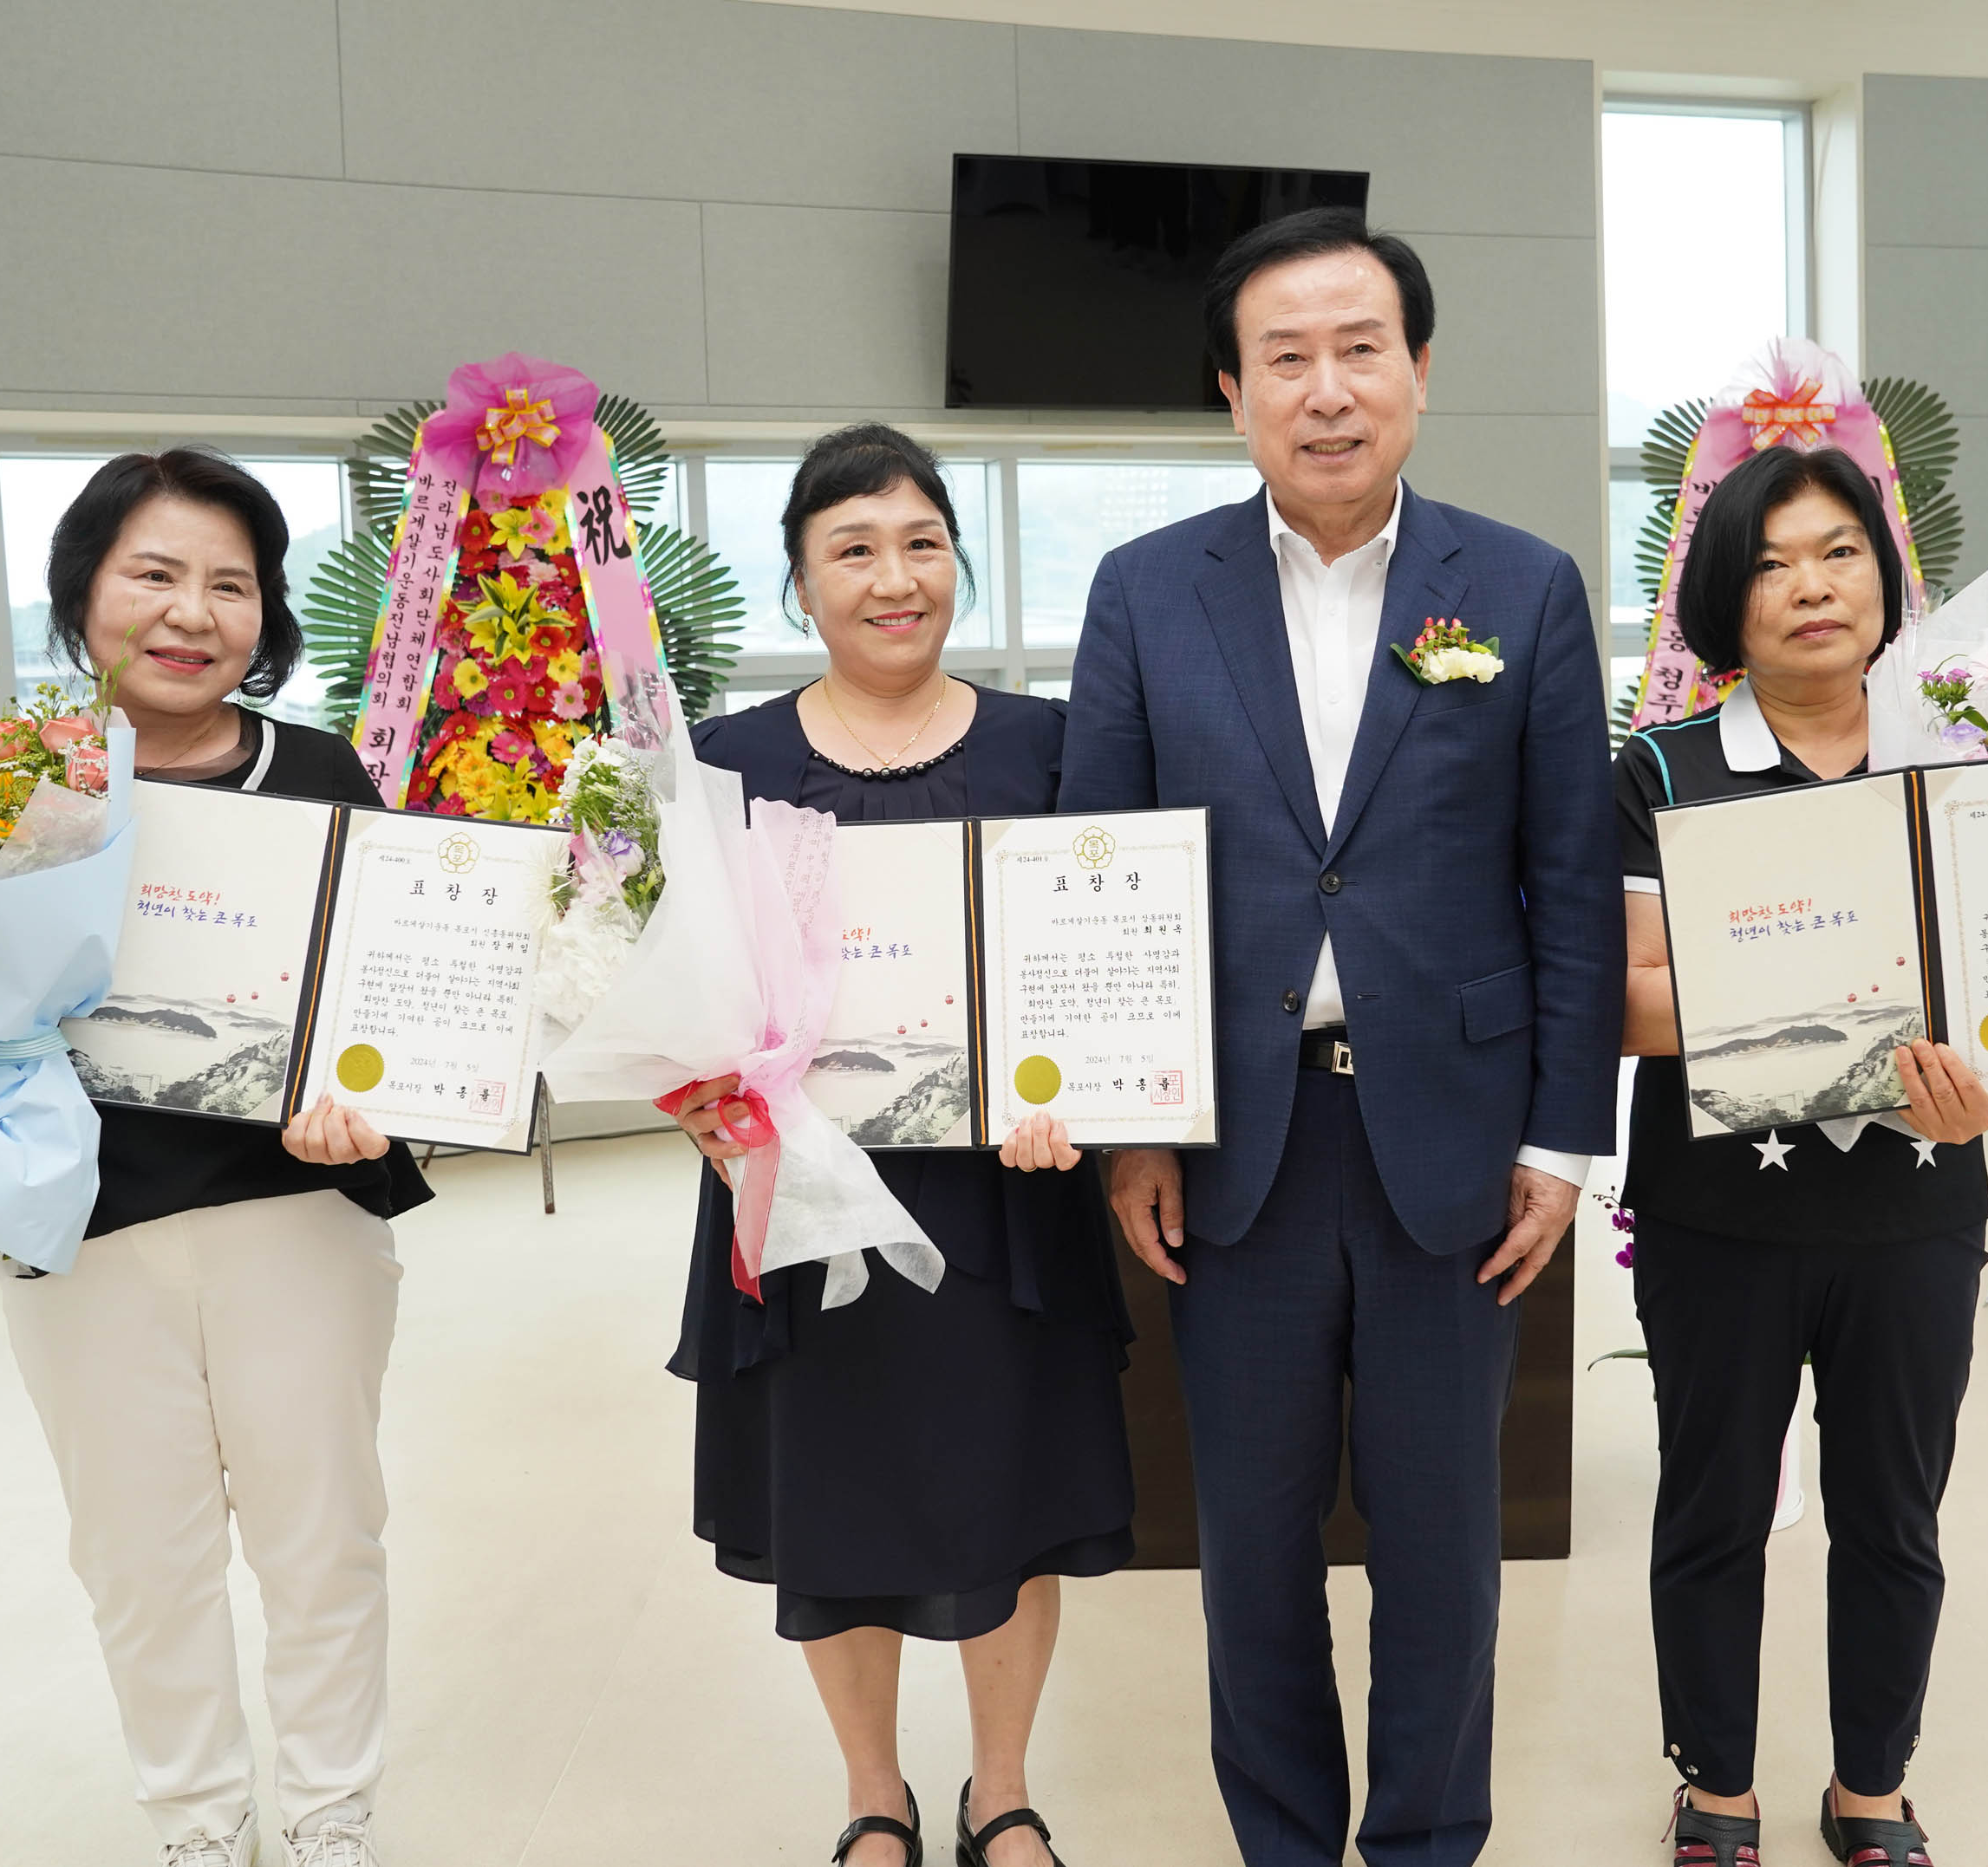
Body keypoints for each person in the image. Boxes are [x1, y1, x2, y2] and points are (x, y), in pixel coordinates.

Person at [1059, 209, 1625, 1865]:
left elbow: (1571, 887)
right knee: (1251, 1547)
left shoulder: (1519, 584)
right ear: (1232, 392)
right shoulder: (1147, 591)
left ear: (1423, 372)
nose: (1326, 390)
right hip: (1234, 1143)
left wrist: (1559, 1142)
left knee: (1447, 1548)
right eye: (1284, 359)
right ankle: (1287, 1845)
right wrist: (1127, 1125)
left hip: (1456, 1143)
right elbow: (1103, 873)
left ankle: (1429, 1843)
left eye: (1360, 349)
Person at [0, 451, 427, 1867]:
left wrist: (372, 1095)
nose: (191, 611)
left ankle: (335, 1820)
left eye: (230, 583)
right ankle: (199, 1826)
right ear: (84, 588)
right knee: (140, 1561)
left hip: (296, 1220)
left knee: (324, 1536)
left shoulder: (321, 771)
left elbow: (381, 999)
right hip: (69, 1226)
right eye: (154, 573)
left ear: (266, 615)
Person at [663, 424, 1134, 1867]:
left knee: (1014, 1494)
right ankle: (876, 1791)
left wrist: (1093, 1087)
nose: (894, 578)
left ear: (959, 563)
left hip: (1010, 1198)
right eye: (853, 550)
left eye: (921, 543)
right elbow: (676, 987)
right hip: (798, 1204)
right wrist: (697, 1091)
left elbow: (1104, 955)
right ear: (801, 582)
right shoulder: (727, 761)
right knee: (836, 1494)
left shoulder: (1049, 746)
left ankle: (1003, 1786)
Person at [1615, 444, 1988, 1867]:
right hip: (1718, 1214)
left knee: (1894, 1513)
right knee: (1711, 1506)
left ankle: (1871, 1785)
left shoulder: (1959, 767)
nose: (1811, 585)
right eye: (1773, 561)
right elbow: (1632, 998)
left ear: (1882, 573)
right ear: (1727, 596)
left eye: (1839, 550)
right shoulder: (1659, 768)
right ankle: (1716, 1780)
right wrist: (1843, 1010)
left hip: (1914, 1212)